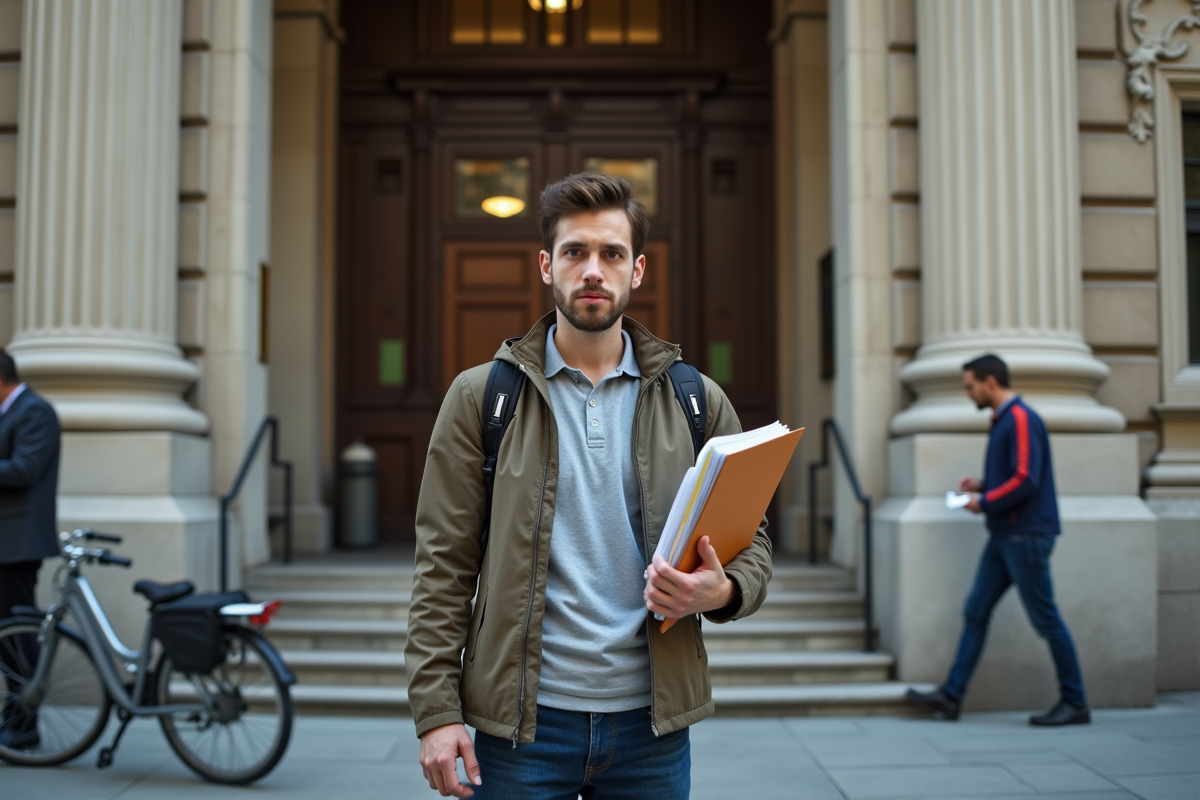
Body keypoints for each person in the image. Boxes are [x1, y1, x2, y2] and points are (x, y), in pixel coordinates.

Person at [405, 172, 773, 799]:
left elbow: (753, 542)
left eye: (612, 253)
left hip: (650, 731)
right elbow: (443, 567)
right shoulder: (481, 398)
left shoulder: (695, 401)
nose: (593, 270)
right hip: (520, 730)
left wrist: (724, 589)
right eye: (575, 252)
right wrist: (437, 714)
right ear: (548, 266)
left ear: (639, 270)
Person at [906, 353, 1089, 727]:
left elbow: (1026, 479)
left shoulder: (1020, 418)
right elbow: (1018, 476)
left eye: (970, 386)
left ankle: (1075, 701)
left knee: (1046, 620)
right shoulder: (1006, 420)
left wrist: (984, 501)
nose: (967, 393)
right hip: (1006, 534)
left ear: (990, 382)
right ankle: (952, 695)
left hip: (1024, 536)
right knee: (975, 611)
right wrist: (983, 485)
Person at [0, 349, 63, 748]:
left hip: (18, 546)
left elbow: (24, 469)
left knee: (17, 635)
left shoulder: (35, 411)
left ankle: (25, 722)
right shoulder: (12, 412)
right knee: (7, 633)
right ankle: (15, 710)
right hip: (7, 543)